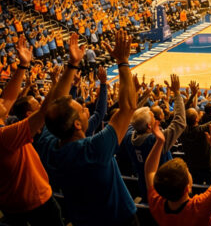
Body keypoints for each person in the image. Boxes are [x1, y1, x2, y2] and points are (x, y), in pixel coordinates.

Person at [38, 31, 140, 226]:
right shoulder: (95, 149)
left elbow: (54, 104)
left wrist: (72, 64)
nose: (86, 108)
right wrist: (123, 61)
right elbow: (128, 107)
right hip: (119, 220)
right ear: (77, 124)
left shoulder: (49, 147)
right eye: (83, 110)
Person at [0, 37, 74, 226]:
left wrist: (23, 66)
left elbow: (8, 99)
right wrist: (72, 66)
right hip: (34, 203)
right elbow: (46, 110)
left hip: (11, 204)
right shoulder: (4, 137)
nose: (1, 100)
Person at [145, 121, 211, 226]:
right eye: (187, 172)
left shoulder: (157, 204)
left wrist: (159, 142)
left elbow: (149, 171)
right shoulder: (199, 207)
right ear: (187, 188)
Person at [126, 74, 187, 200]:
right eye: (153, 116)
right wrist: (176, 93)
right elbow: (180, 122)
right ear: (149, 126)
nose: (154, 116)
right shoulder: (157, 140)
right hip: (164, 191)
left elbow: (130, 117)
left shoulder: (129, 137)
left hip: (144, 186)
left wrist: (138, 93)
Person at [178, 84, 211, 185]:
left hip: (192, 167)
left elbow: (179, 113)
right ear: (197, 119)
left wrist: (192, 95)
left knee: (195, 191)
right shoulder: (202, 130)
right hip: (208, 167)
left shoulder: (181, 130)